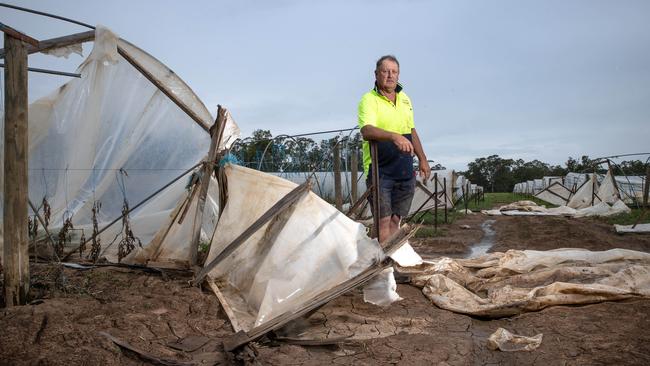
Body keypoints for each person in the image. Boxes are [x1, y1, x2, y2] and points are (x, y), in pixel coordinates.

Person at [358, 55, 430, 242]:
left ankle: (389, 262)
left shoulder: (405, 99)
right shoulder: (369, 99)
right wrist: (393, 136)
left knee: (395, 220)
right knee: (382, 222)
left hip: (404, 169)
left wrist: (422, 159)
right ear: (376, 74)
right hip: (380, 171)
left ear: (398, 75)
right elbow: (367, 130)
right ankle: (382, 268)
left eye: (394, 71)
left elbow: (411, 130)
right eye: (385, 71)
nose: (390, 75)